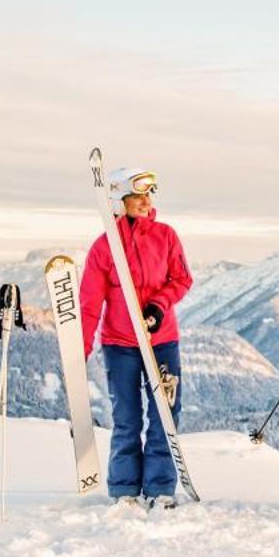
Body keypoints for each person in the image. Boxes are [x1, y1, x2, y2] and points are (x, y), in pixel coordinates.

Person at [80, 167, 193, 509]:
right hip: (120, 344)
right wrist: (79, 352)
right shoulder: (104, 248)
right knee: (127, 417)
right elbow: (89, 304)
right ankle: (125, 488)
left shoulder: (166, 236)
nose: (146, 202)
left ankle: (160, 487)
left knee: (164, 414)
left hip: (161, 341)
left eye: (148, 196)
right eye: (137, 196)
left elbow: (182, 279)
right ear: (118, 201)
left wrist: (158, 307)